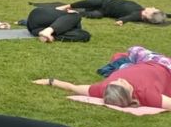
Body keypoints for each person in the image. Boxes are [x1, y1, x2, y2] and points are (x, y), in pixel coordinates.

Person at [32, 46, 171, 109]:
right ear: (129, 94)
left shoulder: (104, 88)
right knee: (134, 50)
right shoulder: (148, 95)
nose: (119, 80)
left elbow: (72, 87)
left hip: (134, 66)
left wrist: (50, 81)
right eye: (121, 83)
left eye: (116, 81)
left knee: (121, 61)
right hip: (162, 65)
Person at [55, 0, 165, 26]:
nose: (153, 7)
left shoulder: (137, 14)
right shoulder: (140, 11)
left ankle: (74, 11)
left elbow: (129, 18)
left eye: (154, 9)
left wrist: (121, 21)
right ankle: (67, 6)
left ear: (147, 14)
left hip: (102, 10)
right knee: (95, 2)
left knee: (97, 15)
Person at [23, 7, 91, 43]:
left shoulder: (77, 30)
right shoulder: (74, 16)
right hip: (38, 17)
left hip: (34, 29)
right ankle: (48, 32)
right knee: (76, 16)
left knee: (85, 35)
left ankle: (48, 34)